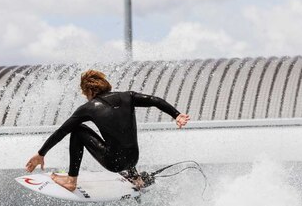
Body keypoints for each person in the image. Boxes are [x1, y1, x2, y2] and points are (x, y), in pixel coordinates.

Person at [25, 69, 191, 192]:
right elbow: (155, 100)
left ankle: (71, 180)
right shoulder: (128, 96)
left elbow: (62, 131)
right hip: (133, 159)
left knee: (78, 130)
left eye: (85, 93)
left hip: (115, 163)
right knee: (121, 135)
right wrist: (176, 114)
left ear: (89, 91)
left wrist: (41, 153)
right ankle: (136, 178)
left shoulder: (88, 108)